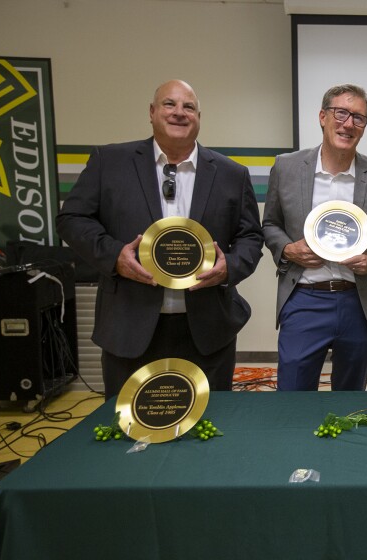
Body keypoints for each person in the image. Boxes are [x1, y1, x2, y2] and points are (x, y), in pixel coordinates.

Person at [56, 80, 264, 399]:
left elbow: (250, 235)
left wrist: (229, 268)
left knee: (211, 421)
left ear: (198, 117)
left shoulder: (231, 174)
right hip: (129, 324)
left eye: (188, 107)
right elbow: (71, 219)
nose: (179, 112)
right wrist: (115, 257)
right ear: (152, 112)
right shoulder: (110, 162)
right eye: (169, 104)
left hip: (208, 329)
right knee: (129, 422)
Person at [262, 84, 367, 391]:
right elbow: (270, 223)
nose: (348, 124)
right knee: (293, 397)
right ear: (322, 117)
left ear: (364, 126)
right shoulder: (286, 167)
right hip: (304, 298)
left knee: (349, 401)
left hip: (358, 302)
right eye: (340, 113)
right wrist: (288, 249)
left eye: (358, 117)